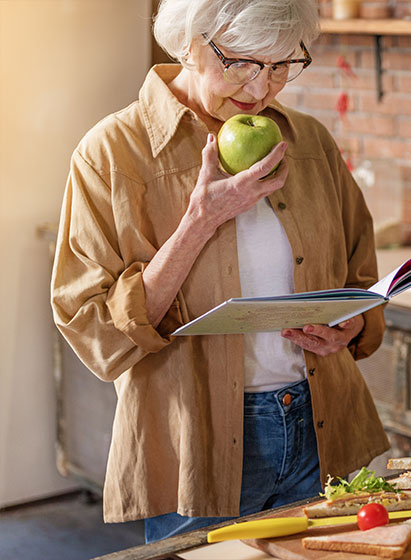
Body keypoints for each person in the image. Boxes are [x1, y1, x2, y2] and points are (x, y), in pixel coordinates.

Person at [50, 0, 389, 543]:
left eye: (280, 66)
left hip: (322, 426)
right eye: (242, 64)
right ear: (189, 42)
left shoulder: (310, 144)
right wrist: (200, 221)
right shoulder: (112, 154)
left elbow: (359, 277)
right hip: (198, 445)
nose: (260, 90)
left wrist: (352, 321)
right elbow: (95, 334)